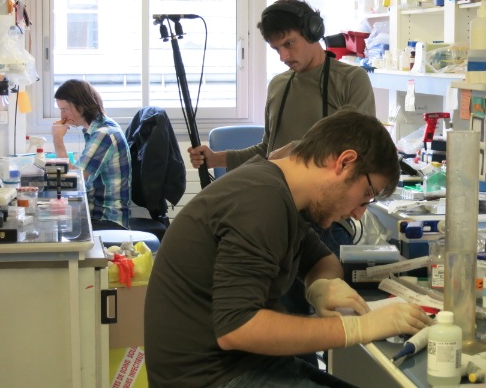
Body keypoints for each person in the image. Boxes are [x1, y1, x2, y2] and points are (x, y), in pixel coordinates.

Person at [145, 110, 432, 388]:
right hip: (209, 377)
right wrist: (359, 328)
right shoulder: (261, 201)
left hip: (242, 363)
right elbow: (237, 328)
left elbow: (323, 259)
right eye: (366, 195)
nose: (359, 214)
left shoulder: (281, 192)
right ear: (344, 162)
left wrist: (320, 285)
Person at [187, 0, 376, 255]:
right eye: (276, 49)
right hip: (275, 211)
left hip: (326, 220)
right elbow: (268, 150)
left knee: (325, 280)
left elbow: (360, 152)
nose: (284, 56)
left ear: (313, 31)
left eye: (289, 44)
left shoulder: (351, 80)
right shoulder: (278, 85)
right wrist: (215, 159)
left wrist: (297, 150)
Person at [52, 79, 131, 230]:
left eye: (65, 109)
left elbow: (74, 181)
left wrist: (57, 139)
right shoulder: (98, 128)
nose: (62, 116)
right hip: (96, 215)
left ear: (81, 107)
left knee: (55, 231)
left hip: (107, 220)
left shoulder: (104, 134)